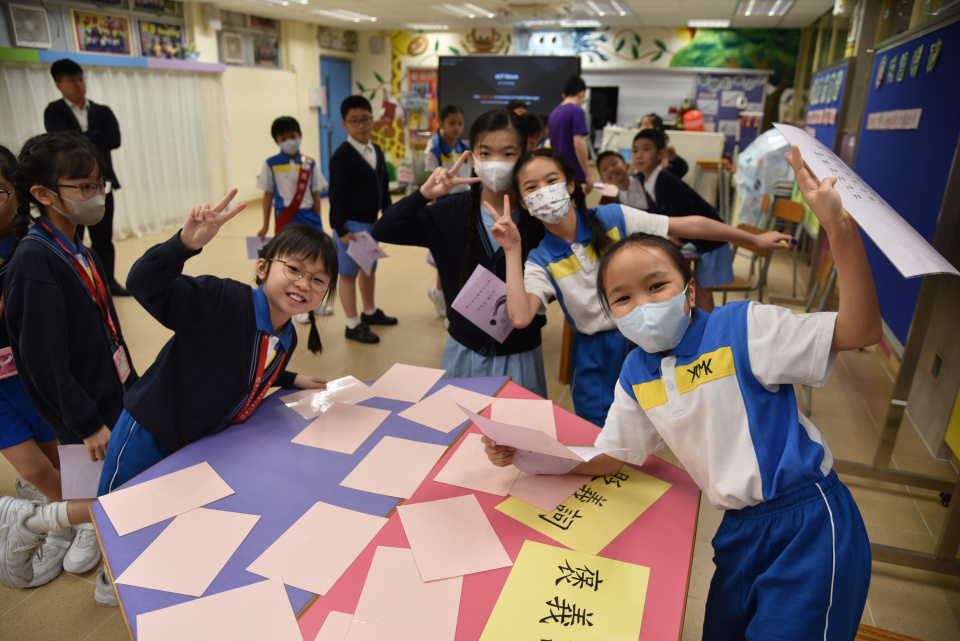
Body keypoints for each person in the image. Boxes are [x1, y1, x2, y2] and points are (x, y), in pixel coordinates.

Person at [485, 144, 875, 640]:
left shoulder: (742, 327)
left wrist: (840, 230)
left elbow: (860, 330)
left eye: (657, 287)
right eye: (622, 298)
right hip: (737, 531)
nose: (643, 306)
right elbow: (612, 457)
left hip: (808, 524)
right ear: (611, 315)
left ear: (690, 290)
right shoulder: (637, 373)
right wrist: (526, 453)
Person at [0, 191, 336, 599]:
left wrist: (291, 378)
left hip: (197, 441)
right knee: (120, 506)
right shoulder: (222, 300)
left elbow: (250, 363)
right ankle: (38, 522)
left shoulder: (287, 336)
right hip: (151, 430)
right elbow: (144, 283)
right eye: (294, 269)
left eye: (318, 280)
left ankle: (126, 562)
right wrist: (184, 244)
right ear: (263, 267)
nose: (303, 283)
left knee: (163, 508)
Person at [488, 148, 789, 426]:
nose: (543, 191)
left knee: (669, 420)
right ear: (524, 203)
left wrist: (753, 239)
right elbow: (521, 317)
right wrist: (513, 250)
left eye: (551, 180)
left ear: (569, 185)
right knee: (601, 430)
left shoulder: (613, 218)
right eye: (531, 187)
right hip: (595, 355)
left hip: (648, 338)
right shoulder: (540, 259)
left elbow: (688, 225)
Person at [3, 132, 140, 602]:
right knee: (104, 494)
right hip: (84, 416)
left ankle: (113, 563)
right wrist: (86, 423)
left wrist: (133, 386)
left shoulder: (81, 249)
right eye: (82, 186)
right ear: (42, 194)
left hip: (111, 397)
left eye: (99, 183)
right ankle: (105, 568)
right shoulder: (34, 260)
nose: (95, 195)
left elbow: (108, 330)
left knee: (120, 487)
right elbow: (44, 362)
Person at [374, 110, 548, 398]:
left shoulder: (539, 218)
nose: (495, 163)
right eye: (485, 153)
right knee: (459, 423)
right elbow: (384, 229)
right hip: (464, 353)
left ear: (523, 157)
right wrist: (424, 194)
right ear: (472, 158)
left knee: (518, 426)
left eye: (507, 154)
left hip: (521, 354)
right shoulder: (449, 212)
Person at [0, 146, 92, 588]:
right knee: (33, 469)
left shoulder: (33, 247)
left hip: (27, 376)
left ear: (18, 193)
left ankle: (79, 518)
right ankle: (65, 518)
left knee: (58, 455)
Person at [44, 59, 129, 297]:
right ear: (58, 84)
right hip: (71, 187)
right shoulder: (54, 111)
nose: (79, 84)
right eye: (72, 80)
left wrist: (82, 137)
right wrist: (94, 136)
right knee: (74, 235)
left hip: (102, 183)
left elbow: (114, 140)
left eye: (81, 78)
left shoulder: (102, 111)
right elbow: (64, 144)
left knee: (104, 236)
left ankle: (108, 282)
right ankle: (78, 283)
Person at [633, 129, 732, 311]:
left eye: (646, 149)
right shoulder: (648, 180)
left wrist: (677, 237)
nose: (639, 155)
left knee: (702, 294)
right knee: (695, 291)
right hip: (698, 242)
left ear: (661, 154)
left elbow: (687, 214)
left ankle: (710, 328)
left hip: (710, 241)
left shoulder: (665, 179)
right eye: (635, 150)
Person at [329, 96, 397, 344]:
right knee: (348, 274)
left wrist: (389, 214)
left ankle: (369, 311)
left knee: (369, 269)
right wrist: (340, 228)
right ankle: (352, 323)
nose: (361, 125)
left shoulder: (376, 150)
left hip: (371, 224)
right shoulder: (341, 156)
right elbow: (336, 196)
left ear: (372, 120)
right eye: (354, 121)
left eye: (366, 119)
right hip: (350, 225)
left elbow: (383, 187)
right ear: (345, 124)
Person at [256, 116, 332, 323]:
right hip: (285, 219)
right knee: (292, 263)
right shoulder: (270, 164)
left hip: (309, 216)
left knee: (315, 260)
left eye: (293, 136)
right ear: (276, 141)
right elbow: (268, 195)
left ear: (300, 135)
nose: (289, 140)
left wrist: (319, 220)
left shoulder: (310, 163)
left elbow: (316, 194)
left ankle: (315, 302)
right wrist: (265, 225)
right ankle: (297, 307)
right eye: (284, 138)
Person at [423, 105, 471, 319]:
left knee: (462, 255)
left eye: (460, 123)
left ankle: (453, 299)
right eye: (452, 123)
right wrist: (433, 214)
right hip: (444, 206)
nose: (457, 127)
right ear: (441, 123)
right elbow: (431, 187)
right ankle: (442, 296)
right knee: (445, 257)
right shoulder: (434, 151)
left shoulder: (466, 149)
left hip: (465, 204)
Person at [548, 76, 593, 193]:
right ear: (581, 93)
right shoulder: (577, 111)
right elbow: (579, 144)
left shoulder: (553, 113)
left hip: (558, 172)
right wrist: (587, 173)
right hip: (574, 173)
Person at [639, 112, 688, 178]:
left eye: (646, 125)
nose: (642, 128)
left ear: (657, 128)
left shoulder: (661, 141)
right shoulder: (641, 142)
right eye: (641, 125)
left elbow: (662, 165)